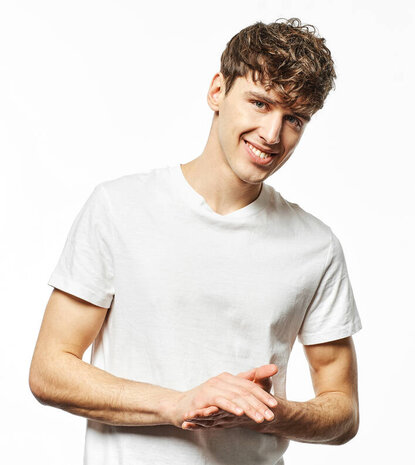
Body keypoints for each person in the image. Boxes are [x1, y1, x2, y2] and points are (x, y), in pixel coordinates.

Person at [29, 17, 362, 465]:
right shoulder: (119, 208)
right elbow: (50, 370)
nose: (272, 134)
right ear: (217, 91)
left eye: (294, 119)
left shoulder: (316, 247)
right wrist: (176, 403)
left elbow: (342, 410)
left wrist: (272, 412)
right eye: (260, 103)